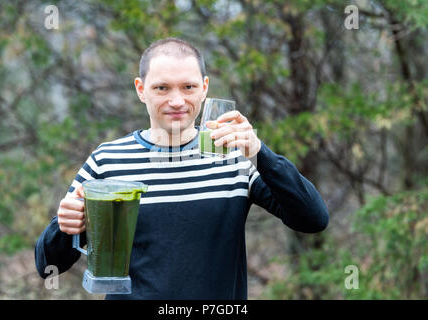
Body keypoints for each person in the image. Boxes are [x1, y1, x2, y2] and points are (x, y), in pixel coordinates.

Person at [35, 37, 329, 300]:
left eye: (188, 87)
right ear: (141, 90)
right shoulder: (108, 160)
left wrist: (261, 153)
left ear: (204, 88)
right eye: (162, 88)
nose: (176, 101)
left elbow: (313, 219)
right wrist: (64, 228)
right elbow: (48, 266)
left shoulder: (235, 158)